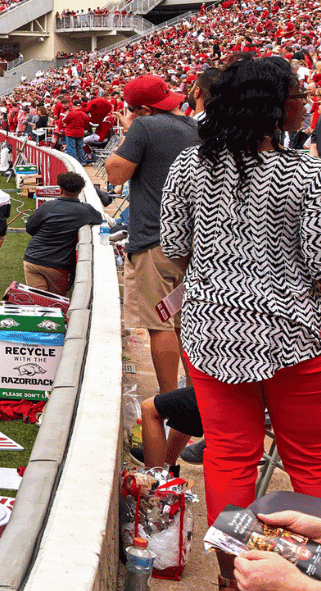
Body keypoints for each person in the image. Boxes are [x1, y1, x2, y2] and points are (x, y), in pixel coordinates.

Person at [159, 55, 321, 587]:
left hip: (210, 330)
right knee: (311, 457)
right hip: (295, 333)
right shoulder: (308, 172)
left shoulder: (188, 165)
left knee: (230, 455)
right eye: (297, 92)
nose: (304, 101)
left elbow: (175, 248)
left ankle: (233, 575)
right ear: (275, 105)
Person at [105, 72, 199, 395]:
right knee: (182, 323)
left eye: (132, 109)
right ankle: (197, 396)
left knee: (160, 324)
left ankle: (170, 402)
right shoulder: (196, 127)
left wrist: (127, 134)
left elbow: (114, 173)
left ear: (144, 109)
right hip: (192, 242)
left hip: (153, 241)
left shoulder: (145, 126)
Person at [21, 171, 104, 294]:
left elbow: (30, 228)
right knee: (55, 306)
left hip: (33, 259)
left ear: (60, 189)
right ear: (80, 191)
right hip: (58, 265)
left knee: (39, 303)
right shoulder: (86, 211)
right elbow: (99, 218)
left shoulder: (47, 206)